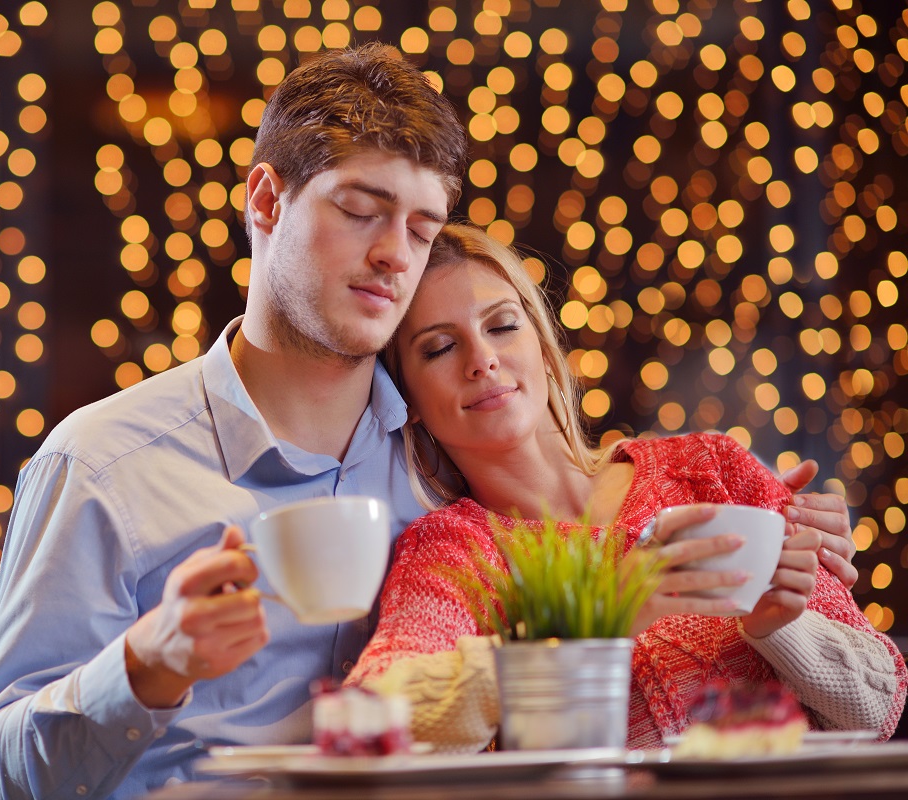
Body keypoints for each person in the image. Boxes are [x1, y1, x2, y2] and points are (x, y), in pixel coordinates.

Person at [0, 46, 860, 798]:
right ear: (266, 201)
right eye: (360, 211)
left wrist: (790, 546)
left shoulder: (444, 463)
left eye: (423, 227)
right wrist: (146, 665)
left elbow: (600, 503)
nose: (394, 253)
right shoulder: (107, 462)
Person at [346, 223, 907, 750]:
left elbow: (879, 707)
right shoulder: (453, 553)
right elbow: (373, 716)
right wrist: (603, 614)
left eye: (502, 325)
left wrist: (780, 628)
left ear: (542, 344)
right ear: (407, 403)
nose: (483, 360)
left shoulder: (708, 468)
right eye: (439, 348)